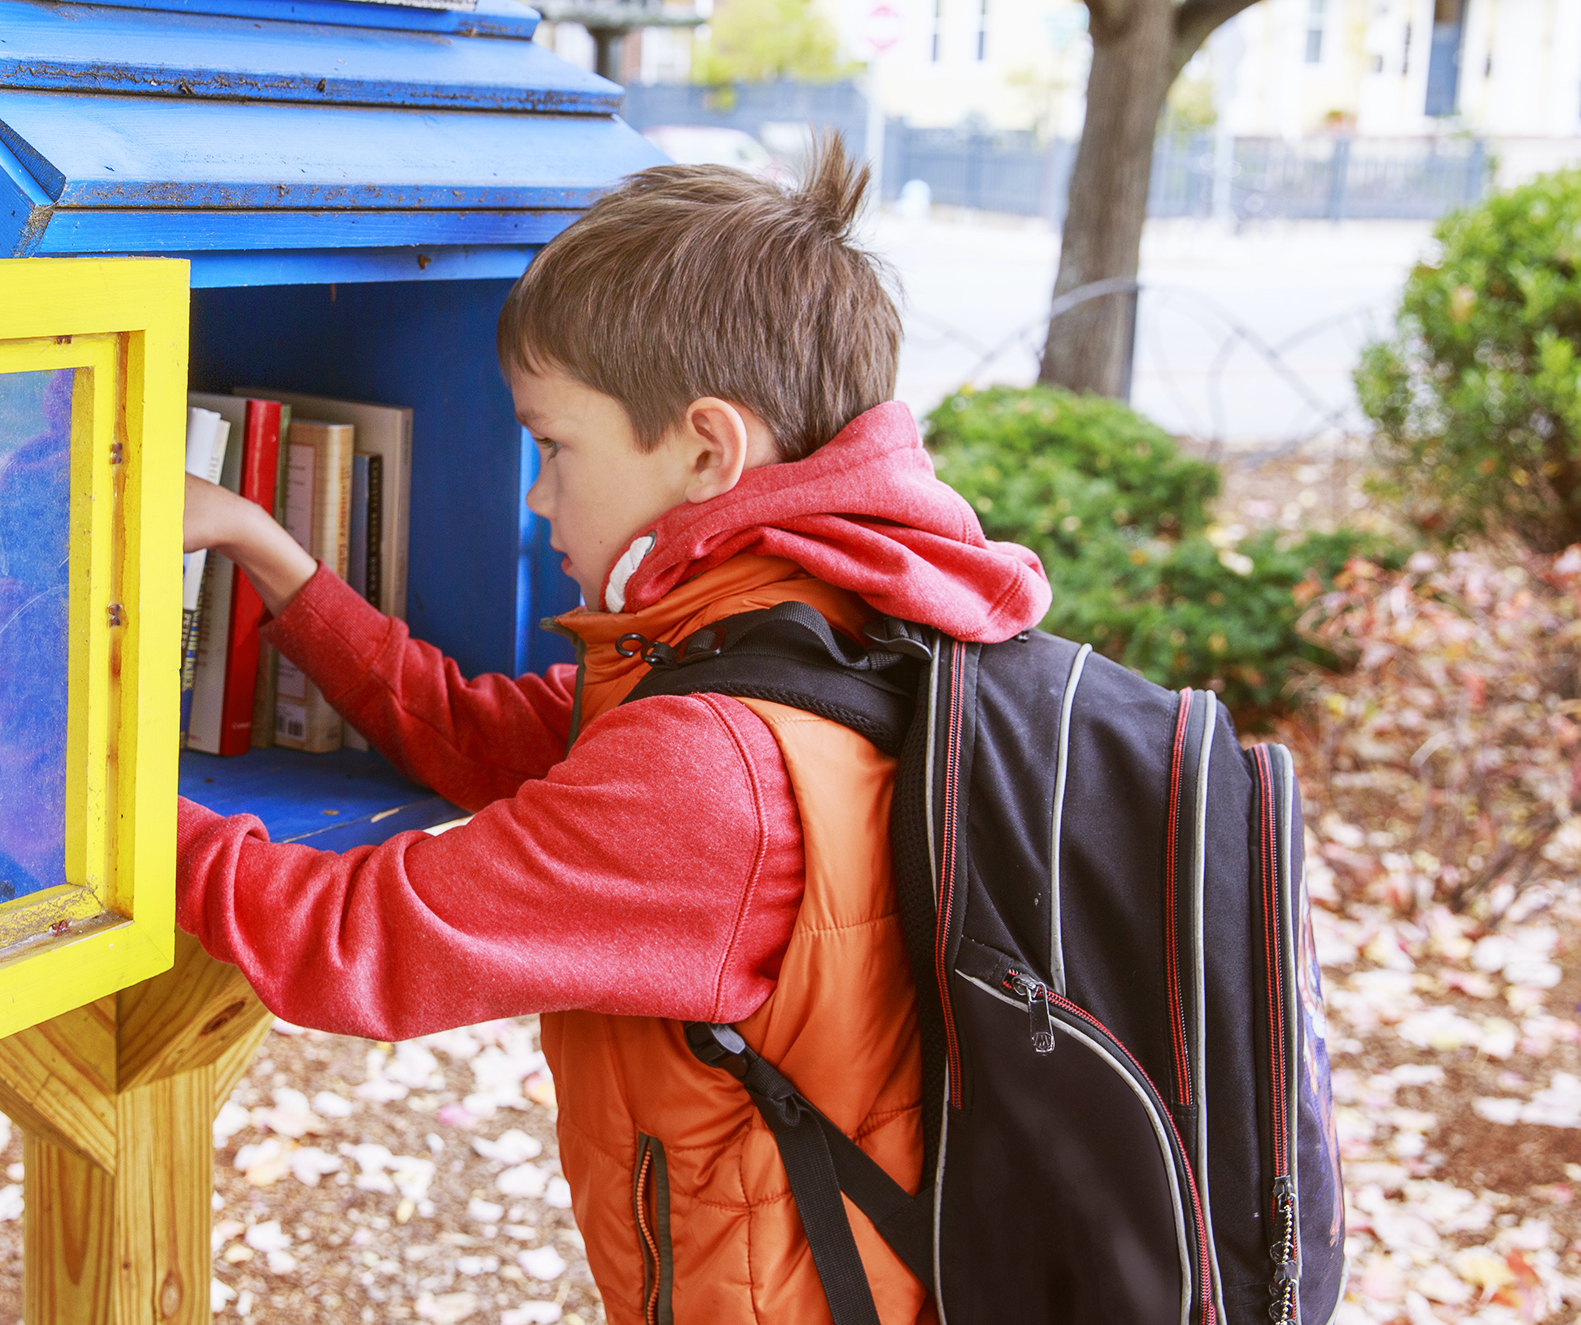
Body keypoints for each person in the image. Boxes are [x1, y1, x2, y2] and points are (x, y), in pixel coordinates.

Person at [175, 137, 1051, 1324]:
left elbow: (355, 936)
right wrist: (264, 546)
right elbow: (481, 735)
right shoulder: (832, 612)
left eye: (552, 445)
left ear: (705, 449)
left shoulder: (712, 768)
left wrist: (86, 795)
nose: (537, 493)